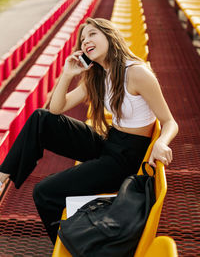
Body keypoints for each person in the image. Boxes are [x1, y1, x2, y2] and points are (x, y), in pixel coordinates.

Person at [0, 17, 178, 244]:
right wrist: (67, 73)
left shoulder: (137, 73)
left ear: (109, 35)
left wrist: (161, 143)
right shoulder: (100, 75)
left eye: (92, 34)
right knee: (41, 119)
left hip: (126, 160)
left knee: (44, 192)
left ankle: (71, 246)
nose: (86, 41)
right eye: (83, 39)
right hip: (111, 143)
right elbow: (56, 108)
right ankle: (2, 176)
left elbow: (170, 121)